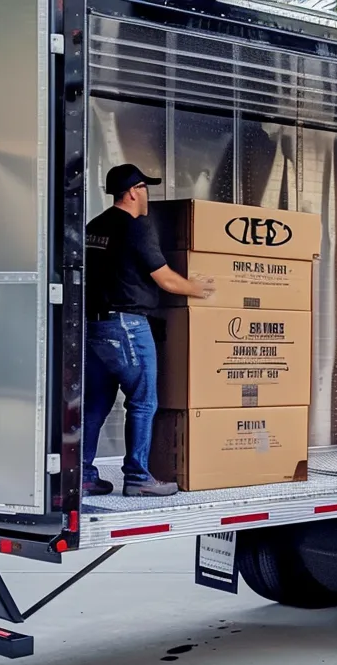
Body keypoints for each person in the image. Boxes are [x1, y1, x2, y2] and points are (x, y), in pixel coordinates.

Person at [82, 164, 215, 498]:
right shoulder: (136, 227)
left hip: (94, 326)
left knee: (95, 405)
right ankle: (138, 477)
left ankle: (81, 475)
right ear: (131, 192)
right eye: (144, 188)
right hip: (127, 325)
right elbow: (165, 278)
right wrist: (200, 290)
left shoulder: (93, 227)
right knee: (143, 401)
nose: (147, 195)